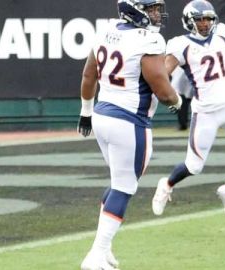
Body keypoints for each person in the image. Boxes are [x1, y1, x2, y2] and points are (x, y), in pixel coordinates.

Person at [77, 1, 182, 269]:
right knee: (124, 186)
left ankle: (105, 249)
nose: (157, 14)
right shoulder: (149, 39)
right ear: (133, 9)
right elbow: (162, 87)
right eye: (151, 8)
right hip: (129, 120)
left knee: (118, 181)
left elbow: (89, 74)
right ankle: (96, 253)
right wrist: (178, 102)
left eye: (158, 8)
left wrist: (85, 112)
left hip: (101, 115)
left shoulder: (106, 30)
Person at [152, 0, 225, 222]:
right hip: (206, 111)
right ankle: (167, 184)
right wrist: (168, 95)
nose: (205, 23)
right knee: (194, 166)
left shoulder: (222, 32)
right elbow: (162, 73)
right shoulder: (180, 44)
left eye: (208, 18)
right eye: (200, 19)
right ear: (189, 21)